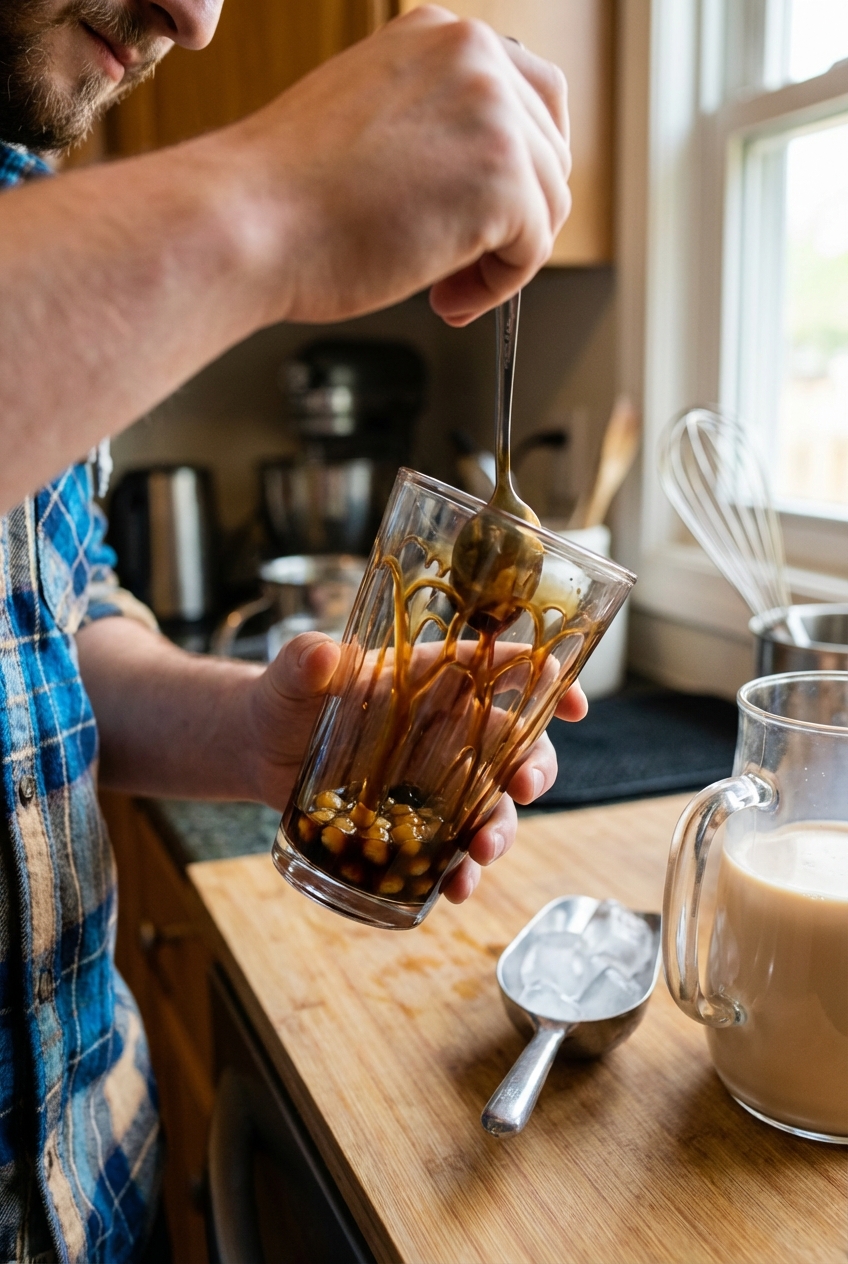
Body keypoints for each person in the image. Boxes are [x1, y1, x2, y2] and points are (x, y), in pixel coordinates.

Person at [0, 2, 582, 1259]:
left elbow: (43, 621)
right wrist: (272, 199)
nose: (197, 18)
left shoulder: (24, 184)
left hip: (95, 1189)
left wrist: (256, 732)